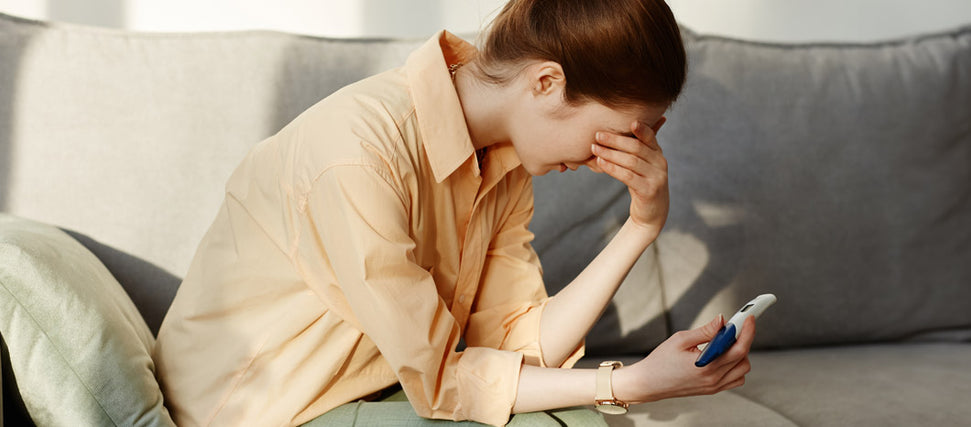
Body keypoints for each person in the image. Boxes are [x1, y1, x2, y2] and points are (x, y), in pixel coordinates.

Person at [153, 0, 756, 425]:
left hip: (367, 391)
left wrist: (642, 225)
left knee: (564, 417)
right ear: (547, 83)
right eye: (619, 135)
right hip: (257, 411)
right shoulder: (357, 159)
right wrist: (627, 384)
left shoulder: (501, 160)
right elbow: (444, 381)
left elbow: (520, 345)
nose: (616, 159)